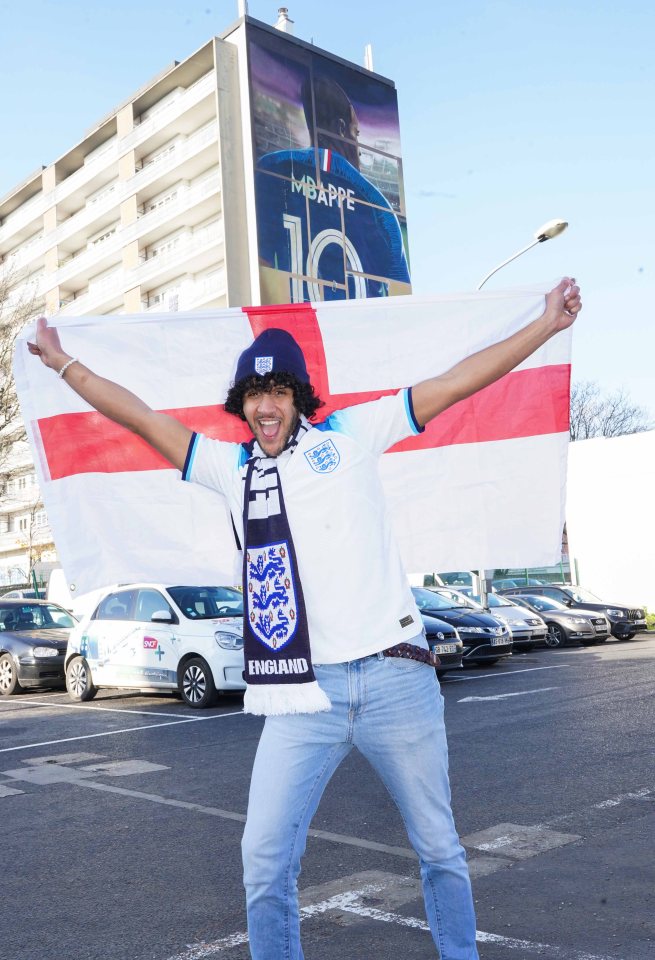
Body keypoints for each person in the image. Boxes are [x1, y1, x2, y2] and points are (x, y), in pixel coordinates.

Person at [28, 276, 582, 959]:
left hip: (393, 677)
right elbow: (142, 418)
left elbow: (454, 382)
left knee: (439, 849)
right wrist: (64, 365)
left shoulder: (350, 436)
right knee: (262, 861)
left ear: (297, 399)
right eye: (254, 394)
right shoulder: (228, 471)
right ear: (243, 404)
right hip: (301, 695)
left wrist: (545, 325)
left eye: (279, 392)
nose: (266, 405)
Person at [255, 75, 411, 303]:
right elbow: (402, 299)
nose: (358, 148)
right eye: (356, 133)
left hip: (299, 332)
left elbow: (260, 272)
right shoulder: (376, 204)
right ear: (340, 128)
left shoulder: (272, 169)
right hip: (360, 334)